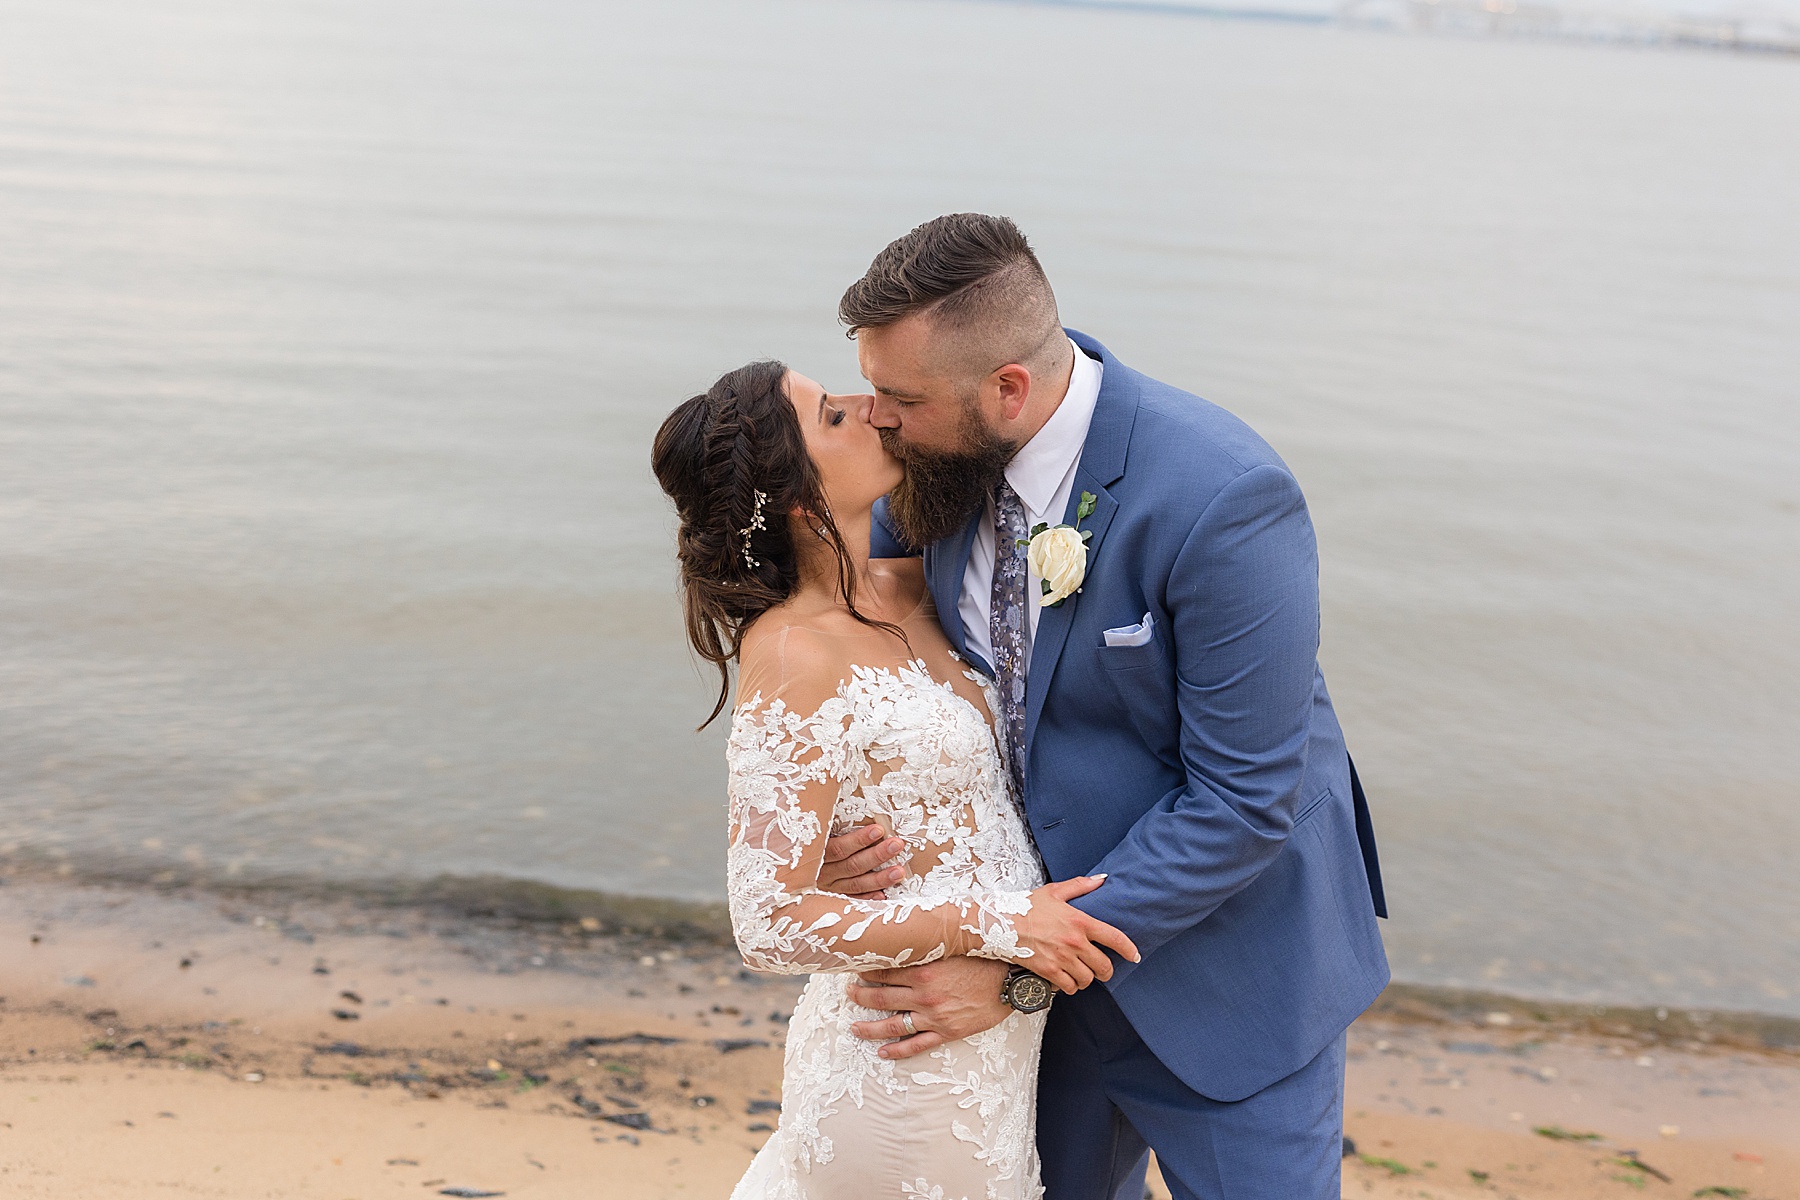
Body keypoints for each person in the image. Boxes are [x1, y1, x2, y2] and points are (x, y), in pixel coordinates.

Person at [809, 213, 1391, 1199]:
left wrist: (1014, 972)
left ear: (1008, 389)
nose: (877, 418)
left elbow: (1245, 800)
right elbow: (867, 655)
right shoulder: (929, 469)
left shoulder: (1223, 499)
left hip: (1230, 983)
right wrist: (834, 819)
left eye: (901, 397)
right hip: (1032, 1000)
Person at [652, 359, 1141, 1200]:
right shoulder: (792, 651)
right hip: (897, 1056)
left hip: (998, 1038)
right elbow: (767, 922)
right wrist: (1000, 922)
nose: (868, 407)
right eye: (833, 417)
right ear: (803, 501)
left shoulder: (926, 579)